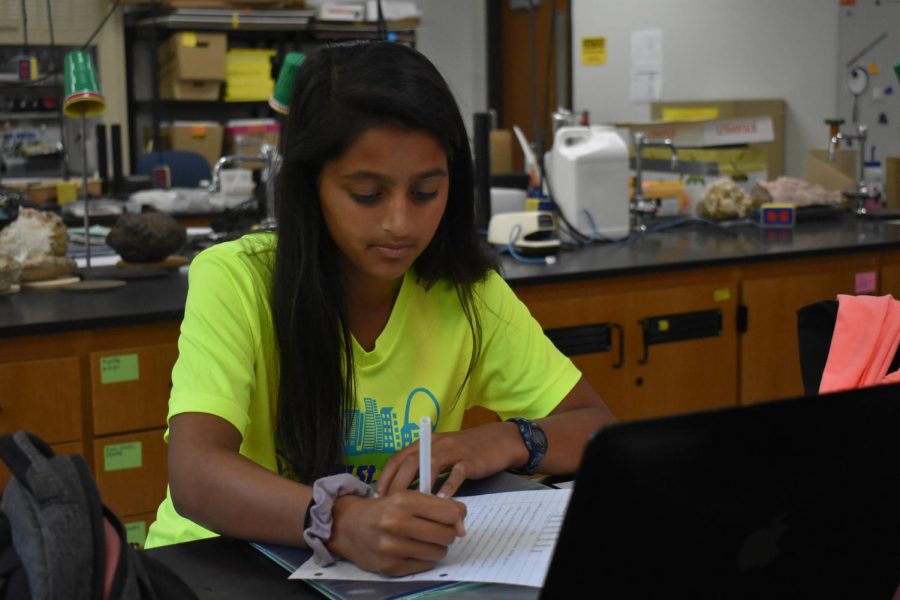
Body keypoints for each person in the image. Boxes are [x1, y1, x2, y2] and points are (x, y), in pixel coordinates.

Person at [144, 40, 615, 576]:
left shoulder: (467, 291)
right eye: (367, 194)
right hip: (222, 569)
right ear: (309, 186)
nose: (400, 223)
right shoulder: (237, 278)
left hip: (387, 579)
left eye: (425, 192)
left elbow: (597, 427)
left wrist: (506, 440)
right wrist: (339, 523)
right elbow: (196, 474)